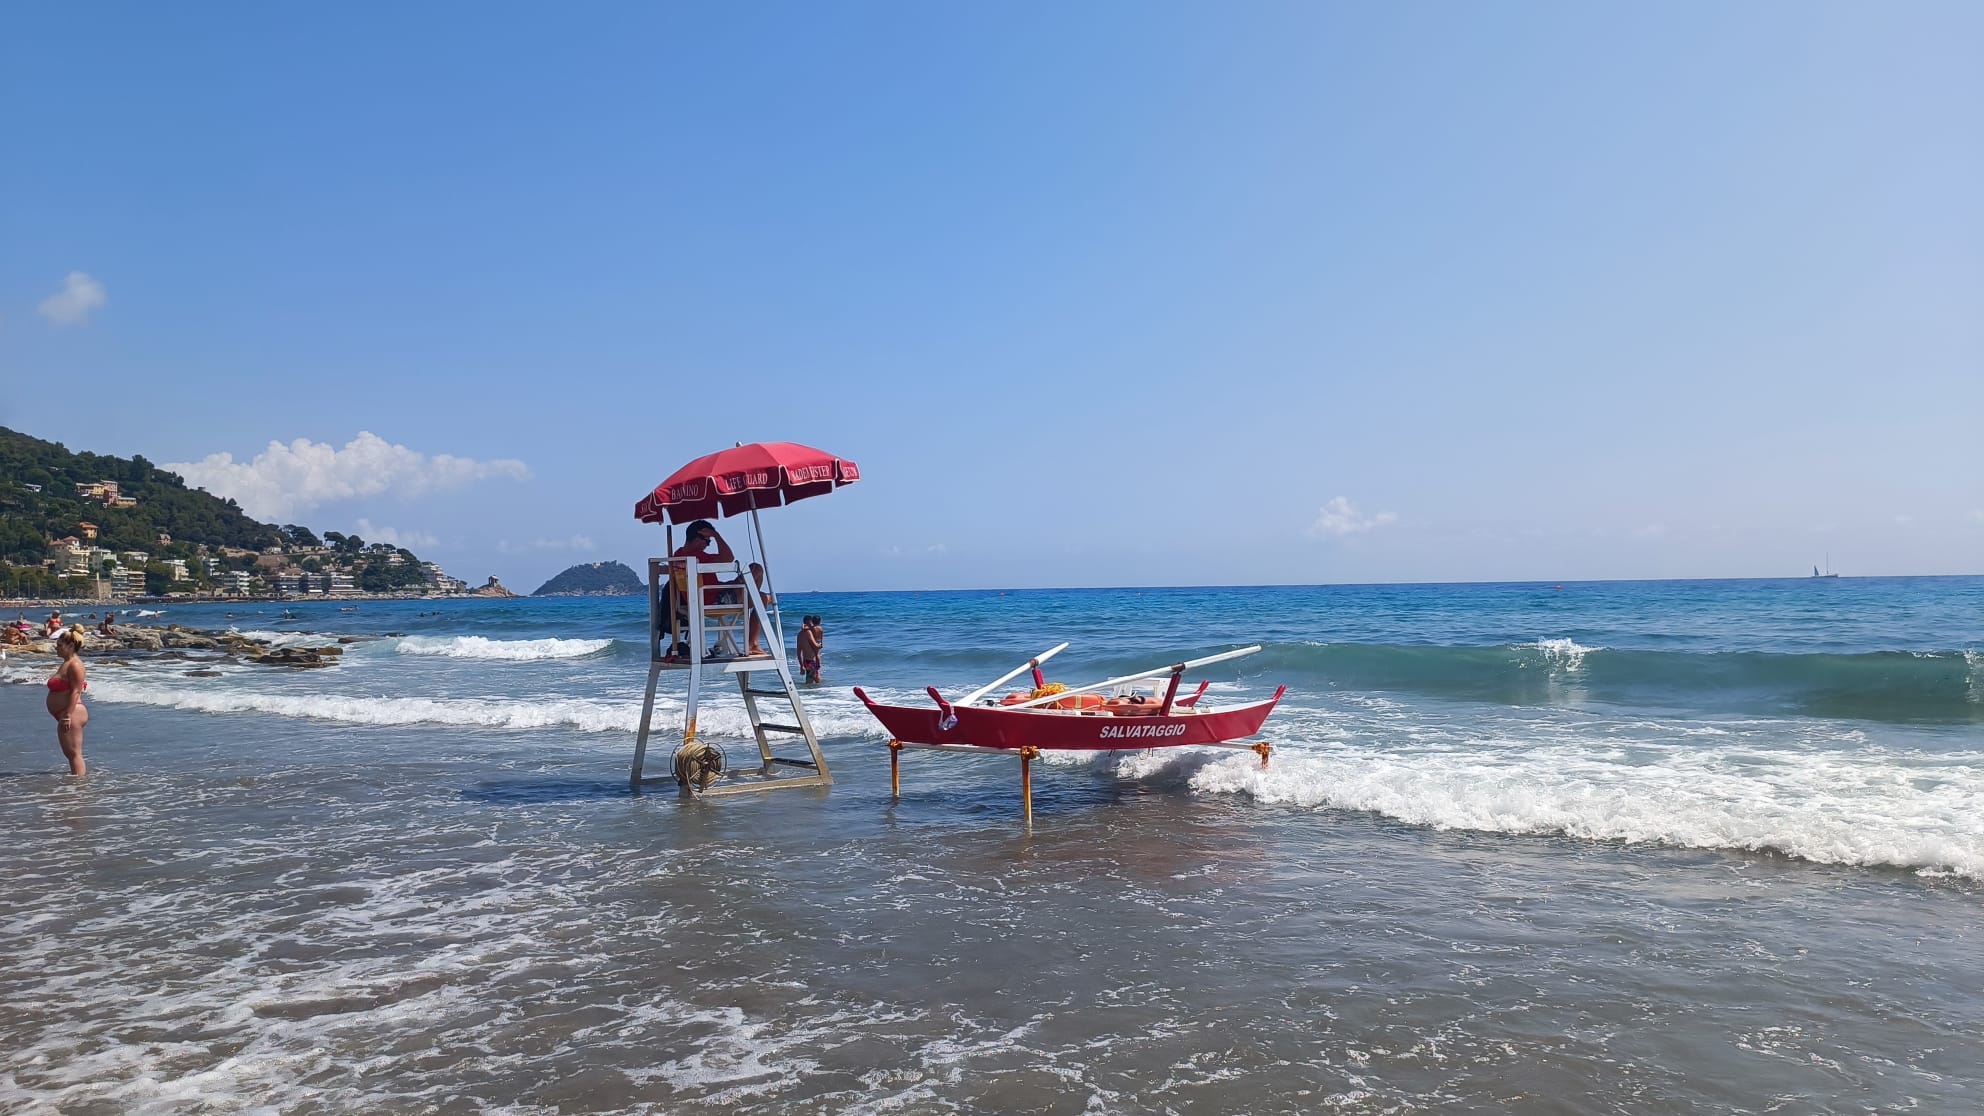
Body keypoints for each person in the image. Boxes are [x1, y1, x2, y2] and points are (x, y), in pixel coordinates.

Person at [47, 627, 89, 776]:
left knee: (74, 753)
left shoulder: (75, 665)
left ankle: (78, 788)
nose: (56, 649)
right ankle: (76, 784)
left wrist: (67, 715)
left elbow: (76, 691)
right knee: (70, 753)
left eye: (59, 646)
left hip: (71, 712)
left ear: (71, 646)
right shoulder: (67, 663)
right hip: (66, 712)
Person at [796, 614, 824, 684]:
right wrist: (819, 646)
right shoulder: (809, 632)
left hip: (806, 661)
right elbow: (815, 645)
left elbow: (798, 651)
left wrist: (801, 665)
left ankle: (808, 694)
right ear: (809, 622)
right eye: (811, 623)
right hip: (811, 661)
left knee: (809, 681)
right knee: (818, 680)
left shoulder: (799, 634)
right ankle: (818, 693)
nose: (813, 624)